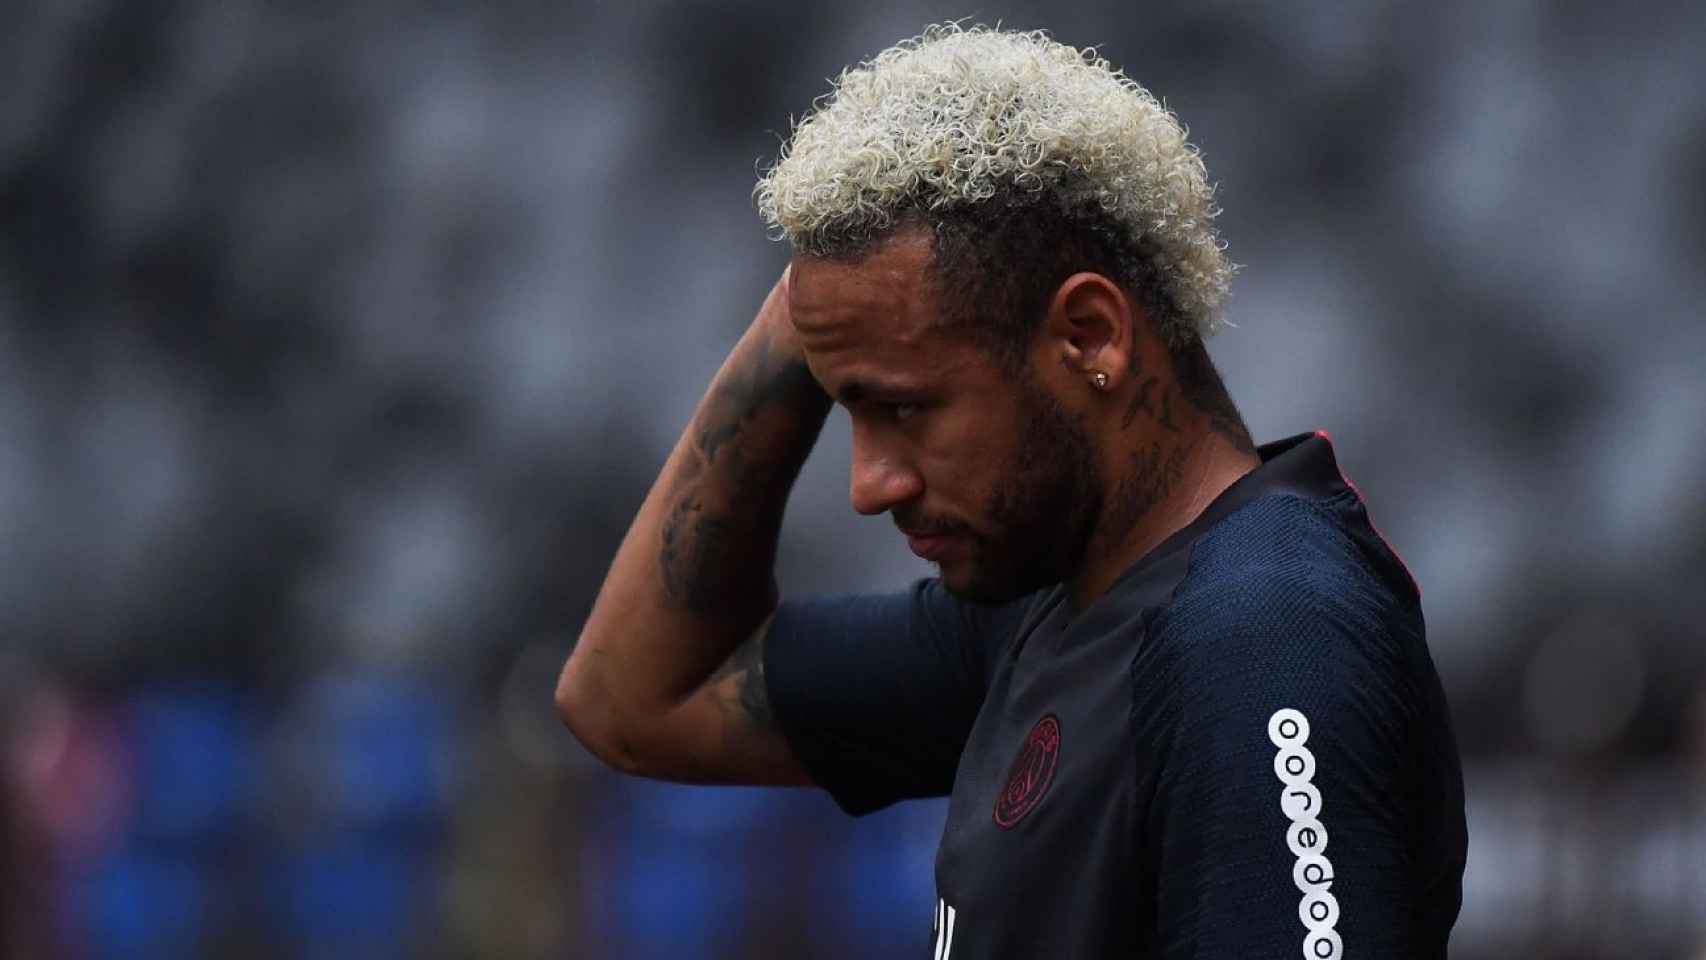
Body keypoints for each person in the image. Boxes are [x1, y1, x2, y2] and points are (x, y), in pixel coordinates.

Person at [558, 23, 1466, 959]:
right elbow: (635, 701)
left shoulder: (1264, 637)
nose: (870, 485)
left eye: (904, 408)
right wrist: (806, 310)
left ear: (1090, 336)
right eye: (848, 409)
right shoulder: (1042, 613)